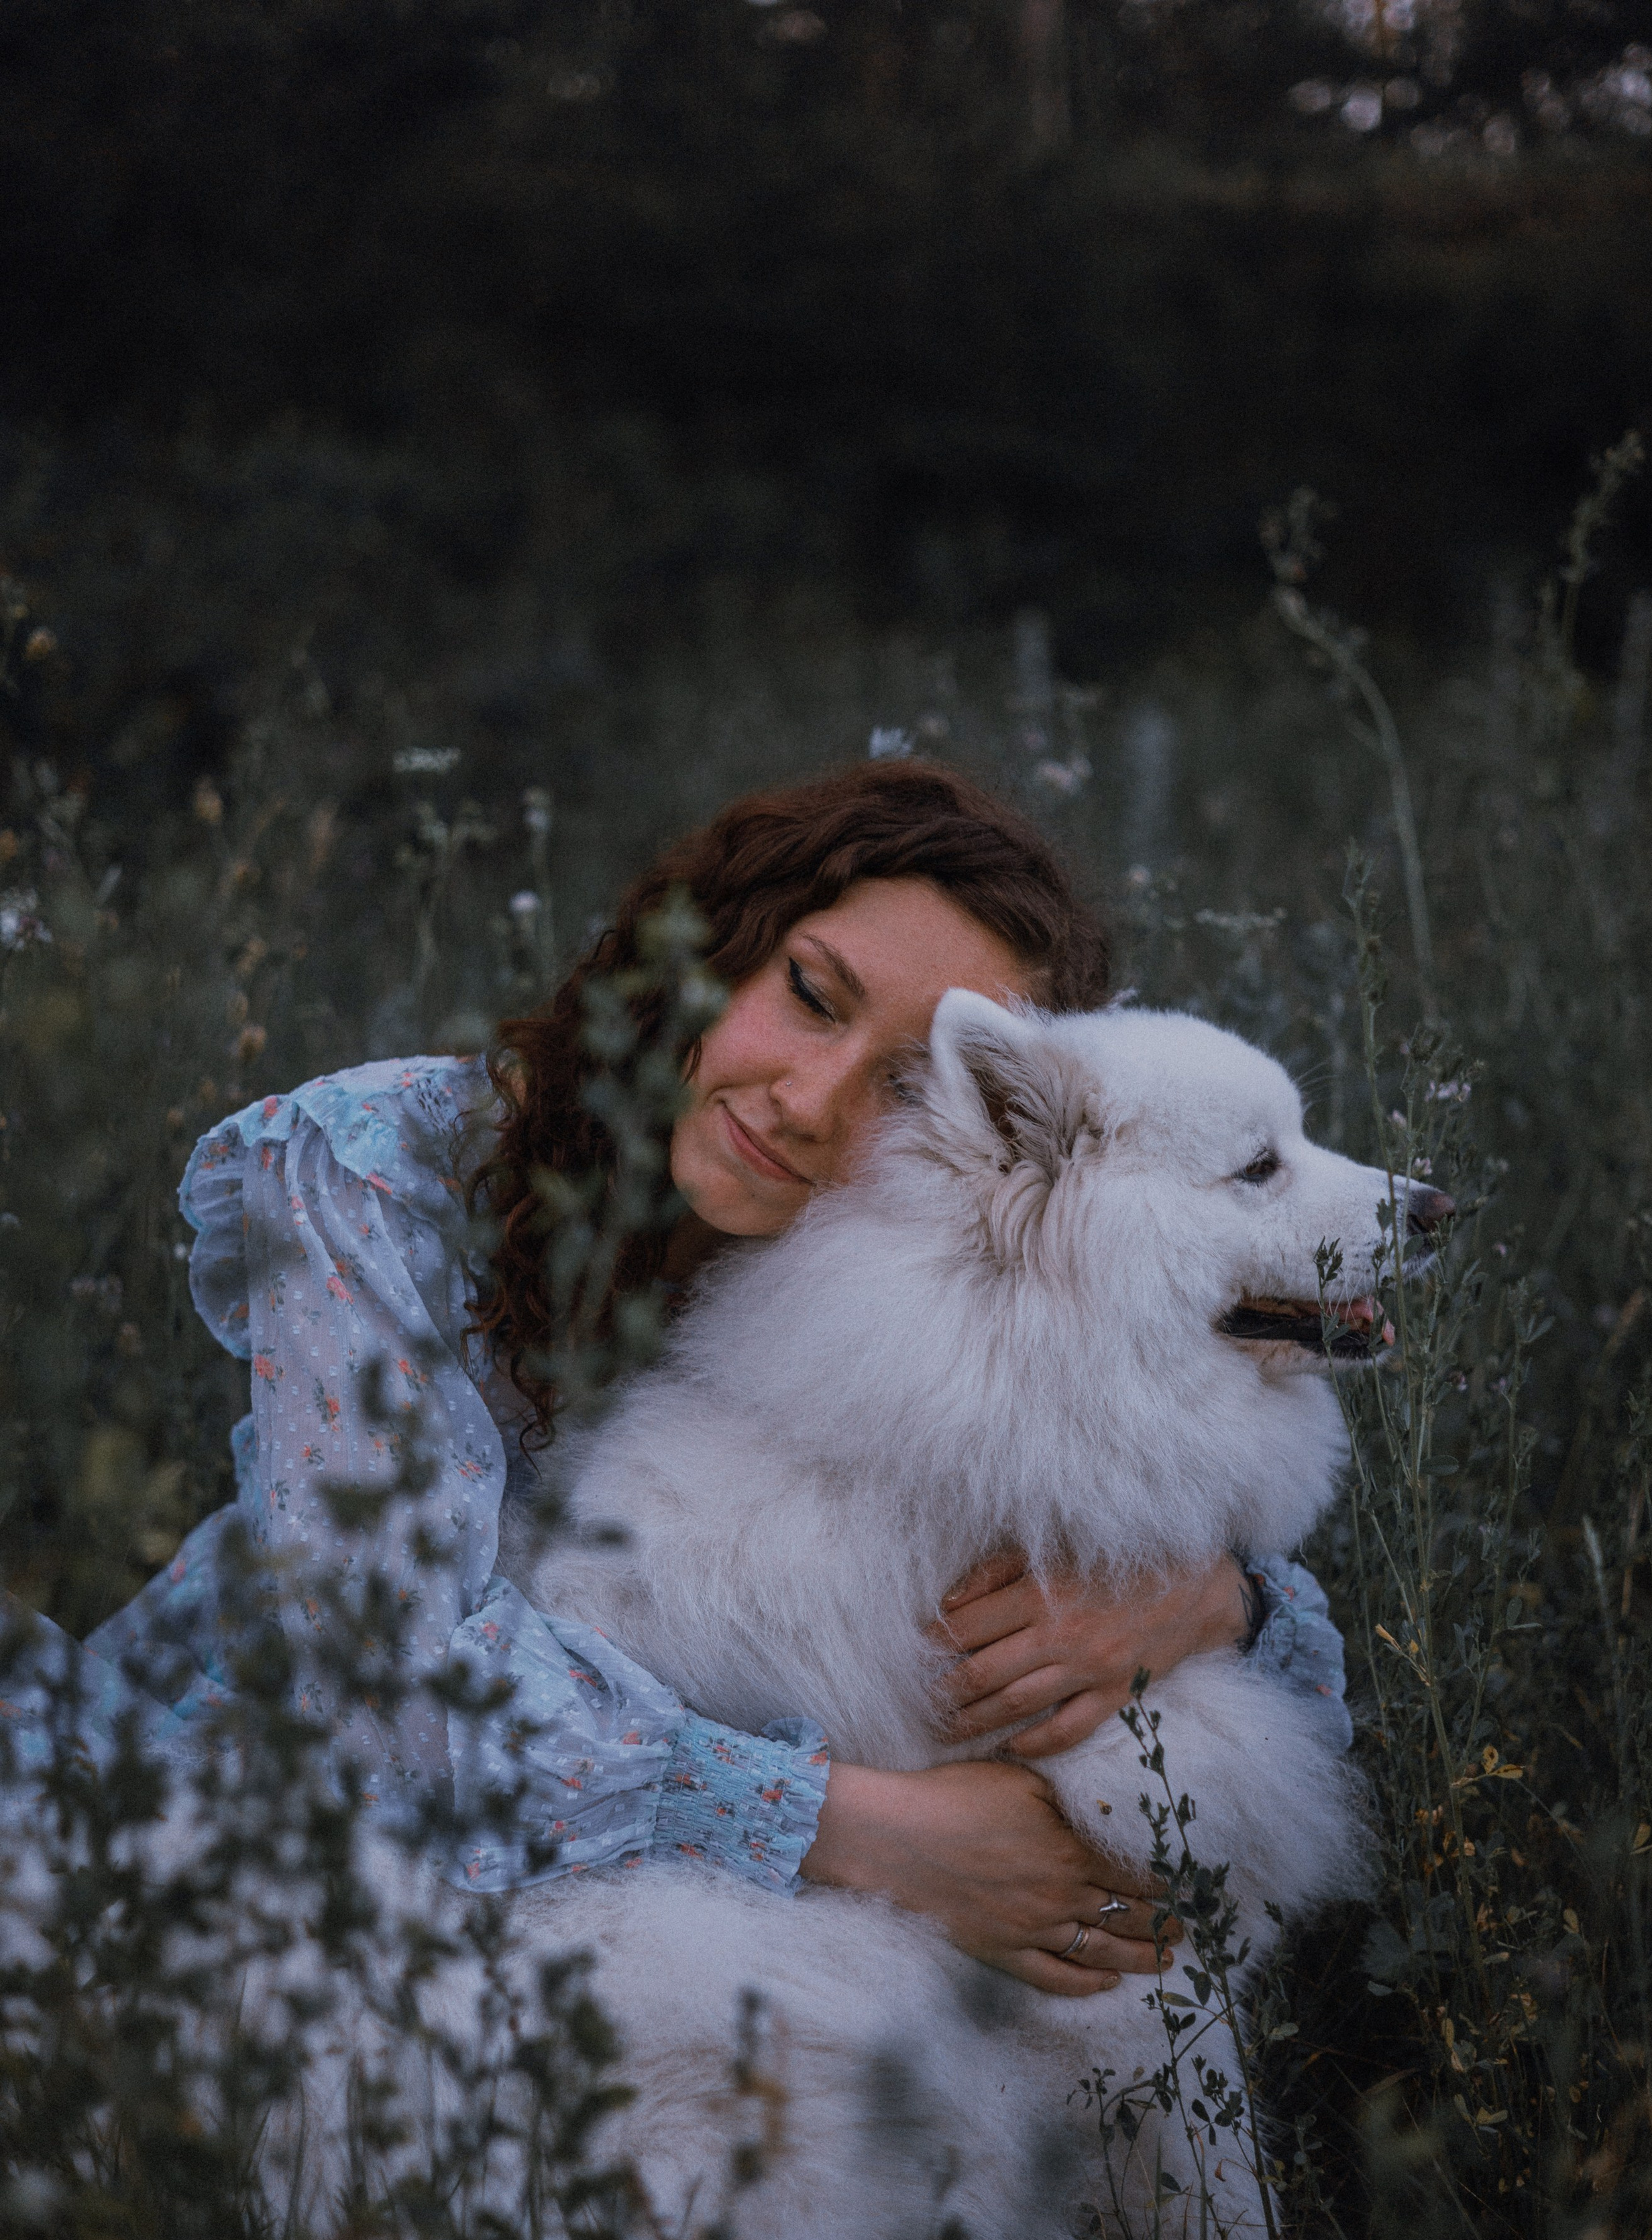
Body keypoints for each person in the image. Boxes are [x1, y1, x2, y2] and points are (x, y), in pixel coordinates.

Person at [6, 763, 1347, 1997]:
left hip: (616, 1914)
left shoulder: (901, 1286)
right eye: (809, 996)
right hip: (223, 1810)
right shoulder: (371, 1169)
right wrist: (864, 1831)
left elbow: (1269, 1675)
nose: (809, 1102)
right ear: (712, 948)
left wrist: (1206, 1600)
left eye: (900, 1086)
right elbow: (396, 1687)